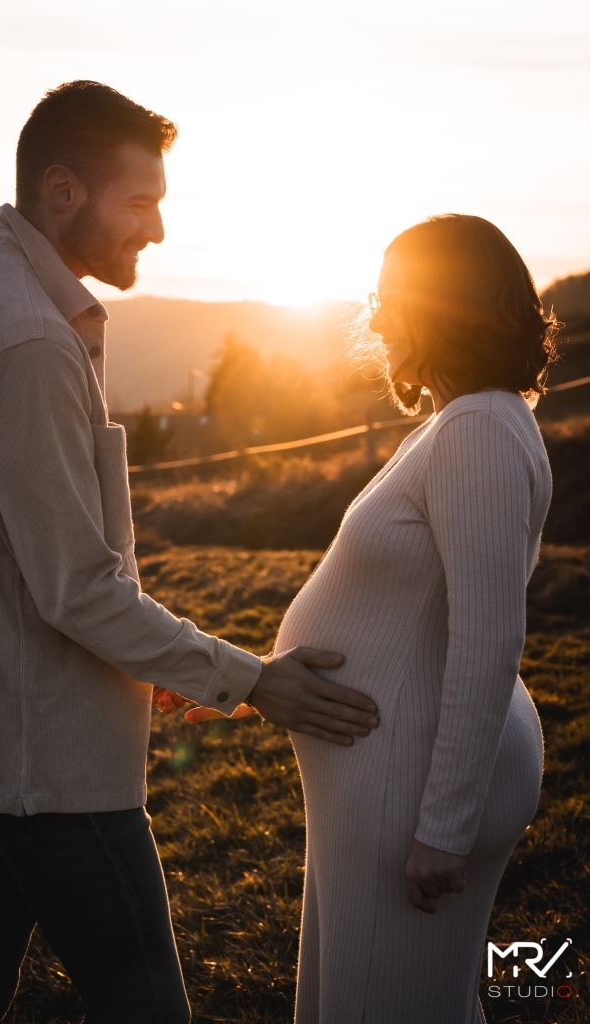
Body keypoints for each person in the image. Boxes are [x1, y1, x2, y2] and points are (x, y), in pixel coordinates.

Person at [0, 81, 379, 1024]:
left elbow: (16, 555)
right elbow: (76, 589)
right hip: (47, 765)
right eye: (140, 202)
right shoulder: (24, 339)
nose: (157, 230)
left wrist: (144, 659)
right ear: (62, 189)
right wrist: (250, 679)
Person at [189, 214, 556, 1022]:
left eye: (393, 297)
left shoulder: (478, 432)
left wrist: (443, 829)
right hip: (388, 770)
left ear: (447, 308)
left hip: (412, 781)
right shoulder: (456, 424)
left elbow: (488, 637)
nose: (378, 317)